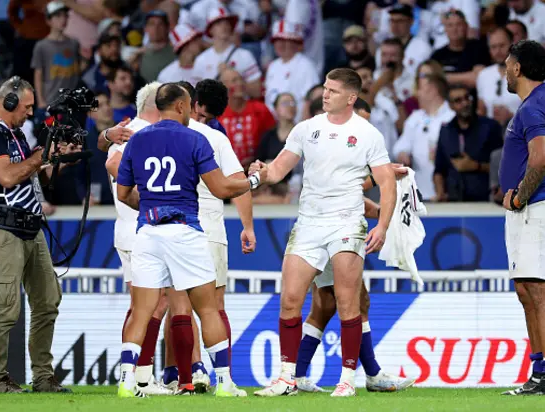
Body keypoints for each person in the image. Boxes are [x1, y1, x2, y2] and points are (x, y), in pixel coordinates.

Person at [249, 68, 398, 397]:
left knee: (348, 303)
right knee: (290, 299)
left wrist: (382, 226)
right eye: (325, 89)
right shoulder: (307, 129)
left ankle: (347, 380)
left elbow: (387, 183)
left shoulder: (368, 133)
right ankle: (287, 378)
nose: (324, 95)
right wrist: (262, 172)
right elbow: (278, 168)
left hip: (347, 221)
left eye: (332, 90)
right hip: (309, 223)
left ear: (351, 97)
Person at [116, 83, 256, 398]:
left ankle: (127, 382)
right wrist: (256, 179)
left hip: (147, 233)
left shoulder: (137, 140)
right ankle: (224, 383)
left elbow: (123, 193)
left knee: (141, 311)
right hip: (184, 231)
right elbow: (222, 189)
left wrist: (153, 206)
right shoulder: (196, 138)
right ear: (181, 105)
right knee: (208, 309)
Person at [293, 97, 414, 394]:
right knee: (354, 302)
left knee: (326, 306)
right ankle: (370, 374)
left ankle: (297, 375)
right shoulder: (334, 144)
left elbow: (357, 198)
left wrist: (384, 211)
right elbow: (346, 186)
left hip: (325, 230)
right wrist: (381, 176)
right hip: (327, 232)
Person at [0, 76, 74, 393]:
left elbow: (31, 175)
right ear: (9, 102)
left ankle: (43, 377)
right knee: (5, 306)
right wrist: (41, 157)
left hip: (30, 225)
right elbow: (8, 176)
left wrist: (58, 156)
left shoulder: (15, 136)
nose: (31, 113)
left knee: (47, 302)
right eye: (27, 107)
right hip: (3, 228)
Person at [160, 80, 256, 394]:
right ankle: (222, 377)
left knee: (179, 306)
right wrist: (248, 226)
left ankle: (184, 373)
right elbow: (237, 182)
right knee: (214, 305)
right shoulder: (216, 137)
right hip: (210, 226)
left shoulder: (156, 134)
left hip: (173, 226)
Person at [500, 40, 545, 396]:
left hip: (537, 208)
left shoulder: (533, 107)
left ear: (518, 67)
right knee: (527, 289)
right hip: (533, 210)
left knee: (541, 290)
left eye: (507, 63)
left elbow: (541, 157)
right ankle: (540, 371)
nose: (504, 71)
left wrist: (520, 195)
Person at [104, 82, 172, 396]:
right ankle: (135, 377)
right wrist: (150, 199)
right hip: (138, 231)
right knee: (150, 307)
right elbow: (114, 164)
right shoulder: (137, 133)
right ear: (156, 105)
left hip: (132, 230)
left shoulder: (130, 130)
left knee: (146, 307)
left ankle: (137, 377)